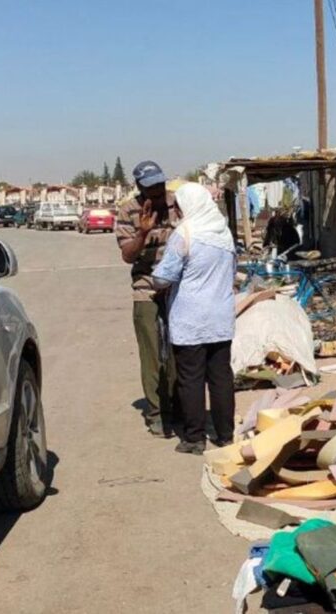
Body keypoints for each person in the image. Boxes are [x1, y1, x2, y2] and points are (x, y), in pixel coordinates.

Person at [152, 182, 236, 455]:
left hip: (190, 319)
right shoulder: (224, 233)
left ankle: (194, 438)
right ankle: (225, 435)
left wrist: (155, 279)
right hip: (221, 317)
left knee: (191, 379)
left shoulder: (184, 234)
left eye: (177, 205)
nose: (175, 210)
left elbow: (164, 277)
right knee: (221, 377)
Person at [115, 161, 181, 437]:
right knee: (151, 353)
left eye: (159, 184)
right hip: (146, 287)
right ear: (140, 187)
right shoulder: (128, 210)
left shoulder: (178, 203)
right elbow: (128, 255)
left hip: (178, 288)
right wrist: (142, 232)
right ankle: (156, 412)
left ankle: (178, 407)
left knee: (180, 351)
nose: (157, 191)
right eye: (150, 186)